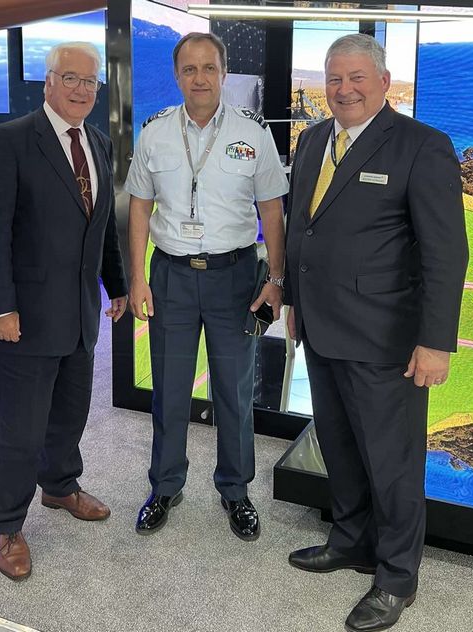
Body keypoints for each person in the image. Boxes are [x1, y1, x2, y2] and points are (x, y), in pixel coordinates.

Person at [284, 34, 468, 631]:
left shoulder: (422, 146)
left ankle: (396, 577)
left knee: (393, 464)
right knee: (339, 448)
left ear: (384, 82)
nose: (344, 90)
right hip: (322, 331)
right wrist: (293, 302)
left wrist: (435, 342)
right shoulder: (313, 140)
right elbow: (303, 230)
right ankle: (350, 541)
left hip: (387, 340)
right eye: (335, 78)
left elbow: (446, 253)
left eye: (357, 77)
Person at [0, 42, 128, 581]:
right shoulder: (10, 140)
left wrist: (116, 285)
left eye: (90, 82)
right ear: (49, 82)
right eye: (71, 78)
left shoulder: (98, 143)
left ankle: (60, 486)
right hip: (26, 319)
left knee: (69, 413)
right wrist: (0, 309)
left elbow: (102, 227)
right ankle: (6, 524)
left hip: (80, 313)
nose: (82, 90)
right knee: (19, 429)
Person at [125, 32, 288, 541]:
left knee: (235, 392)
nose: (200, 78)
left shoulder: (252, 132)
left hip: (234, 278)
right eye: (190, 69)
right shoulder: (155, 132)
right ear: (177, 76)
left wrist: (276, 278)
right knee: (169, 390)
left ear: (224, 73)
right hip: (170, 276)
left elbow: (272, 210)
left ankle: (235, 491)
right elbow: (139, 207)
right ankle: (165, 486)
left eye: (209, 68)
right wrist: (137, 277)